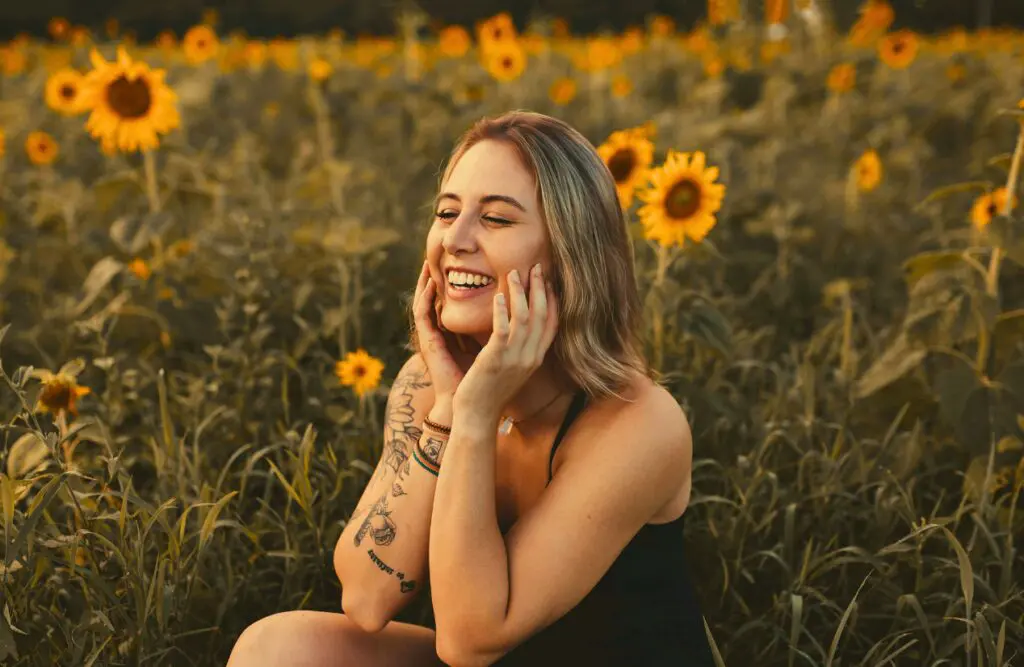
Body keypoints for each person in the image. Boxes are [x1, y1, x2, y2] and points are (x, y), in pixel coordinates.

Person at [226, 110, 715, 666]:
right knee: (280, 649)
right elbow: (366, 598)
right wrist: (448, 410)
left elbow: (468, 642)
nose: (455, 240)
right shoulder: (427, 383)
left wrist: (475, 416)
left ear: (568, 256)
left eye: (497, 220)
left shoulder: (638, 422)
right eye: (446, 212)